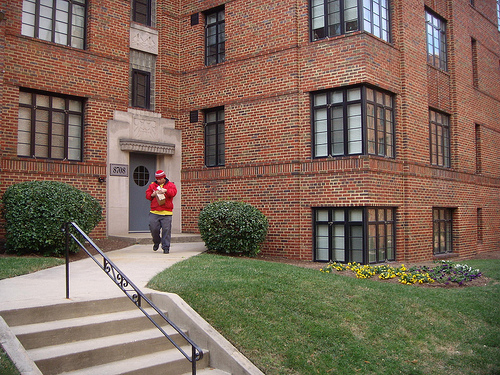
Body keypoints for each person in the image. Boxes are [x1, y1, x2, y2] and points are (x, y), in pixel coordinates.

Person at [145, 170, 177, 254]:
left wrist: (165, 190)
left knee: (166, 231)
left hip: (167, 212)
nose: (158, 181)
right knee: (154, 229)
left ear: (164, 178)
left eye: (160, 179)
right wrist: (153, 194)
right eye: (157, 179)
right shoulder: (152, 185)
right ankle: (156, 241)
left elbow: (173, 193)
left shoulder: (170, 185)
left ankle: (166, 247)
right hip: (154, 212)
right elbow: (147, 195)